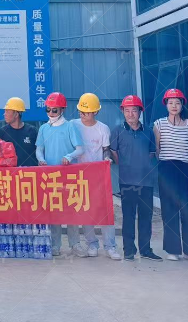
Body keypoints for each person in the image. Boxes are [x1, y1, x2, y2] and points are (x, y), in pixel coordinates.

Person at [154, 88, 188, 262]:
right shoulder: (159, 124)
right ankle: (172, 250)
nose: (174, 106)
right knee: (169, 208)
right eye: (170, 102)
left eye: (177, 102)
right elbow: (157, 148)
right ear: (166, 105)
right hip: (167, 168)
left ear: (182, 105)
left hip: (187, 168)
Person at [110, 94, 162, 262]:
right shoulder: (117, 131)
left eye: (134, 110)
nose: (130, 114)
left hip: (146, 181)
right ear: (123, 112)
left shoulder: (148, 131)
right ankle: (129, 250)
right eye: (127, 110)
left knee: (146, 217)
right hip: (126, 182)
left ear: (140, 112)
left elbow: (152, 153)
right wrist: (126, 165)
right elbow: (114, 152)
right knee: (128, 217)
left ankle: (145, 250)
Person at [70, 93, 121, 260]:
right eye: (81, 111)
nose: (82, 114)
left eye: (86, 112)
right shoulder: (73, 125)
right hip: (80, 176)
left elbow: (106, 149)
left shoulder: (102, 128)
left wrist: (107, 158)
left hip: (99, 176)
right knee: (86, 211)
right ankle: (92, 244)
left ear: (95, 112)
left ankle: (110, 246)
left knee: (105, 211)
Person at [35, 91, 84, 256]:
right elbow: (39, 149)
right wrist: (41, 159)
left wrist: (69, 156)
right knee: (54, 211)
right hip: (50, 176)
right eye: (48, 109)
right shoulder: (43, 128)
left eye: (54, 110)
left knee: (71, 211)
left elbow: (80, 149)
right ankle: (55, 244)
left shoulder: (70, 126)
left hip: (69, 175)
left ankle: (75, 244)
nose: (50, 113)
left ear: (62, 110)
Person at [0, 97, 38, 167]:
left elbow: (40, 152)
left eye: (7, 111)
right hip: (9, 173)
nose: (4, 114)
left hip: (29, 173)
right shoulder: (1, 133)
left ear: (16, 114)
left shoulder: (32, 131)